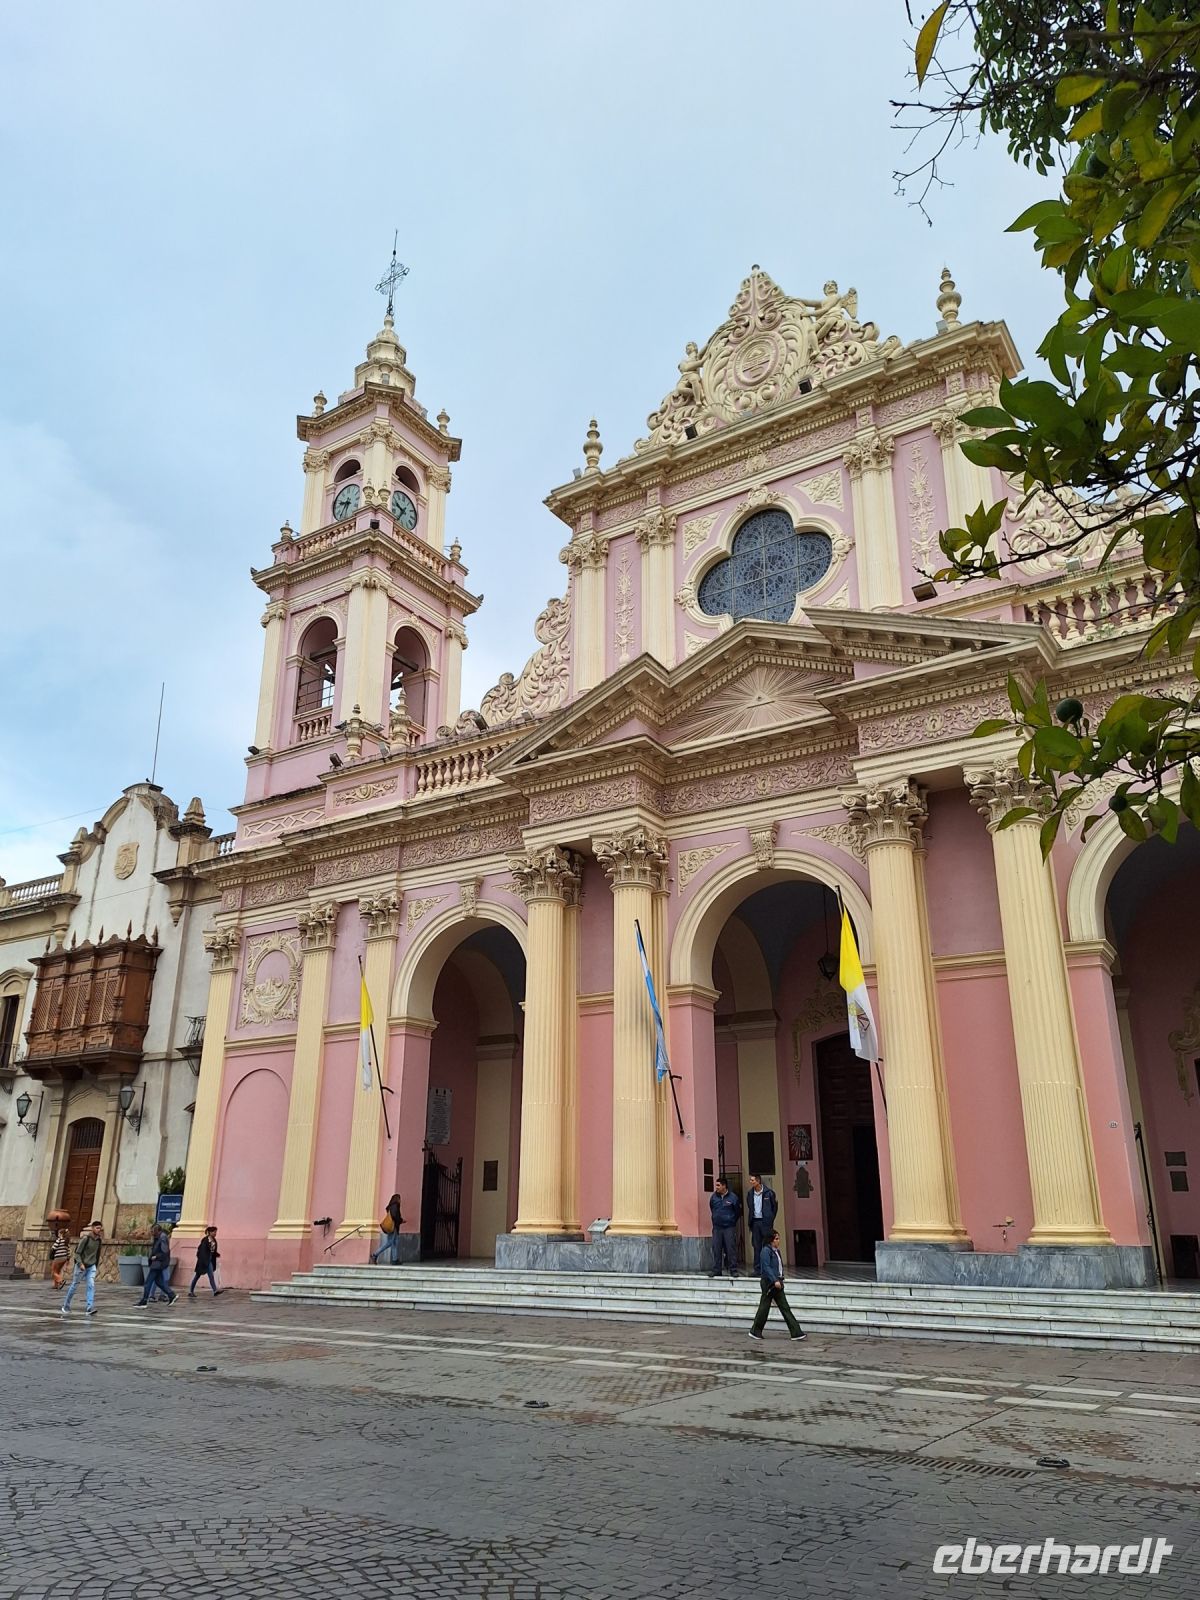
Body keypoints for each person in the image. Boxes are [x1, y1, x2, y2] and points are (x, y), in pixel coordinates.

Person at [748, 1231, 805, 1343]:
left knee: (785, 1307)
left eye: (778, 1238)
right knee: (764, 1308)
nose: (778, 1241)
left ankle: (796, 1332)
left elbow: (778, 1267)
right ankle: (755, 1330)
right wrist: (774, 1280)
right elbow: (766, 1267)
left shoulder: (776, 1251)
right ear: (771, 1240)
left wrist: (780, 1278)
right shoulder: (766, 1251)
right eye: (776, 1239)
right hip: (769, 1283)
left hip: (777, 1282)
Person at [60, 1221, 103, 1317]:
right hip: (81, 1266)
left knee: (91, 1285)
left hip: (91, 1266)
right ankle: (66, 1306)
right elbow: (77, 1253)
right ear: (92, 1228)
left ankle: (89, 1307)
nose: (99, 1230)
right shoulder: (86, 1239)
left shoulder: (99, 1240)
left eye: (100, 1228)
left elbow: (97, 1254)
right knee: (74, 1285)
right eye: (97, 1228)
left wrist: (95, 1265)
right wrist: (80, 1263)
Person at [708, 1177, 742, 1279]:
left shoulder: (733, 1198)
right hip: (717, 1228)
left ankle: (733, 1270)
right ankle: (717, 1270)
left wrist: (731, 1221)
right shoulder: (713, 1197)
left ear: (724, 1186)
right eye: (716, 1185)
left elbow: (737, 1212)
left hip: (729, 1228)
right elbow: (712, 1208)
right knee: (716, 1249)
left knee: (730, 1249)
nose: (716, 1187)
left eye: (718, 1185)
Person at [136, 1224, 178, 1307]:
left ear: (157, 1230)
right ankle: (171, 1295)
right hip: (157, 1263)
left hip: (158, 1263)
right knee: (159, 1282)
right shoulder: (158, 1237)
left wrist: (156, 1256)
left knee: (148, 1282)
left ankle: (144, 1301)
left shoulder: (162, 1238)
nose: (151, 1232)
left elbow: (165, 1251)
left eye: (153, 1231)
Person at [746, 1173, 778, 1278]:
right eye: (750, 1180)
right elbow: (749, 1206)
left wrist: (770, 1218)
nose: (751, 1182)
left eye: (752, 1180)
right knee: (756, 1246)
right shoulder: (750, 1194)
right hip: (755, 1222)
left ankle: (768, 1269)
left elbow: (774, 1208)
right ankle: (757, 1269)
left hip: (766, 1223)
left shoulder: (769, 1193)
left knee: (767, 1246)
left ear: (758, 1181)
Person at [370, 1194, 404, 1265]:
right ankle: (375, 1254)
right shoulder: (395, 1206)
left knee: (394, 1243)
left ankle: (395, 1259)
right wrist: (401, 1220)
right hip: (393, 1227)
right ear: (397, 1199)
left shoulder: (391, 1206)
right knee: (389, 1243)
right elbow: (395, 1216)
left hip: (391, 1227)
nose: (400, 1200)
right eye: (399, 1198)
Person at [189, 1226, 223, 1297]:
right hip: (203, 1261)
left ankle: (215, 1290)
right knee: (197, 1276)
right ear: (210, 1232)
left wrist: (216, 1254)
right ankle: (191, 1291)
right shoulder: (205, 1240)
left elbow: (212, 1250)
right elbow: (202, 1251)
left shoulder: (214, 1240)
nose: (215, 1233)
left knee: (211, 1276)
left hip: (209, 1260)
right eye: (214, 1232)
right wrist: (204, 1261)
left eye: (216, 1232)